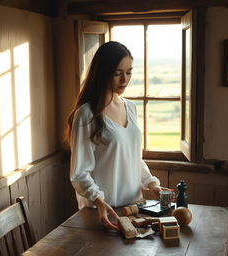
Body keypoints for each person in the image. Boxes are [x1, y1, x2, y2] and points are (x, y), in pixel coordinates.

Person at [66, 41, 172, 230]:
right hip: (103, 212)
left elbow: (133, 158)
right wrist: (99, 201)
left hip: (134, 209)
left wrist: (151, 184)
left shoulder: (130, 107)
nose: (124, 79)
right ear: (102, 72)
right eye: (117, 73)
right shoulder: (86, 114)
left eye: (129, 72)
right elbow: (79, 173)